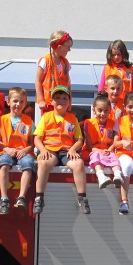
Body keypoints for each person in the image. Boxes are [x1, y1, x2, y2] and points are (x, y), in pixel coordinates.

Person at [33, 85, 88, 215]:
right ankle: (39, 197)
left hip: (67, 151)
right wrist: (43, 150)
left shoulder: (73, 118)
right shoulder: (46, 117)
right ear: (51, 101)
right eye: (57, 98)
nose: (61, 101)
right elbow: (37, 138)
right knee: (43, 162)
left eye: (64, 98)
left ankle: (82, 197)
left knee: (78, 163)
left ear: (69, 102)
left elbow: (79, 140)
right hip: (50, 151)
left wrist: (74, 149)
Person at [0, 86, 37, 214]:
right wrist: (7, 148)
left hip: (23, 152)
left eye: (21, 102)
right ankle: (4, 198)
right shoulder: (1, 120)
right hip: (6, 151)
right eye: (15, 101)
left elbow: (32, 143)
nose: (18, 104)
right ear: (8, 102)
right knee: (3, 165)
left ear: (25, 103)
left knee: (29, 165)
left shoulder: (29, 121)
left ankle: (21, 197)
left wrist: (25, 150)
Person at [82, 92, 124, 189]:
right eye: (100, 110)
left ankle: (117, 175)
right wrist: (100, 151)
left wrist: (109, 149)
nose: (103, 114)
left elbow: (114, 141)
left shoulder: (113, 123)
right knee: (96, 155)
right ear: (94, 110)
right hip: (92, 151)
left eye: (106, 111)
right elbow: (89, 146)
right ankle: (101, 176)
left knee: (114, 156)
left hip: (107, 151)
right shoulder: (88, 123)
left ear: (110, 111)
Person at [35, 29, 72, 116]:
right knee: (49, 126)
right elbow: (38, 81)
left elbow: (68, 85)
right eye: (68, 47)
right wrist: (41, 100)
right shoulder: (45, 61)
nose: (69, 50)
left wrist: (69, 102)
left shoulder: (66, 63)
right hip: (49, 104)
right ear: (59, 47)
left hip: (62, 103)